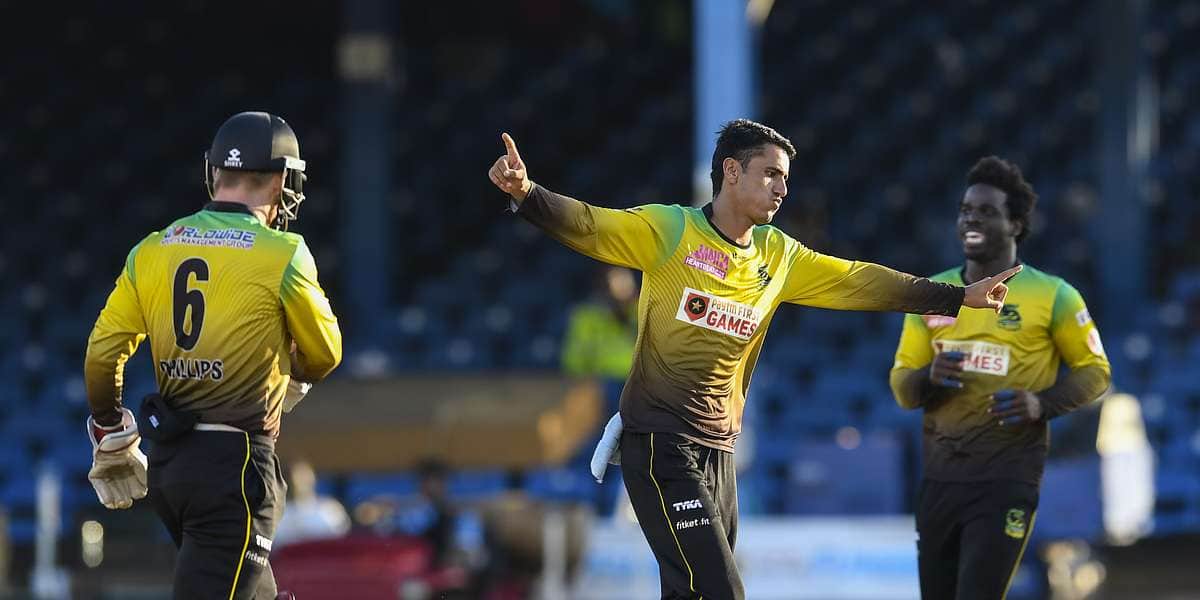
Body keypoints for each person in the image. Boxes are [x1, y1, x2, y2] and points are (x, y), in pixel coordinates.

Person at [487, 119, 1021, 600]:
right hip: (660, 445)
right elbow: (591, 225)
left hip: (719, 452)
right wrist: (527, 193)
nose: (782, 189)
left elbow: (859, 281)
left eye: (785, 178)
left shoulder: (777, 255)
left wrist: (956, 297)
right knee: (721, 591)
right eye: (770, 174)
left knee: (689, 593)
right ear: (731, 171)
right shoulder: (671, 232)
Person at [83, 111, 342, 599]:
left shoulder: (152, 249)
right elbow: (326, 354)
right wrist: (292, 374)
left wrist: (108, 426)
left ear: (213, 171)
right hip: (236, 467)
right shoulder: (283, 252)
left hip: (171, 465)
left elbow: (102, 354)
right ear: (283, 180)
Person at [889, 157, 1111, 600]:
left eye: (986, 211)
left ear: (1016, 225)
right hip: (940, 483)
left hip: (1007, 478)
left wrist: (1041, 404)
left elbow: (1095, 372)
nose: (971, 219)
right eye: (965, 210)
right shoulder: (931, 295)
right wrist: (930, 377)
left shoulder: (1054, 295)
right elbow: (902, 388)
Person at [560, 265, 639, 380]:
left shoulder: (642, 312)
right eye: (617, 280)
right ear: (603, 286)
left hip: (640, 379)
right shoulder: (587, 316)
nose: (623, 286)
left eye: (626, 280)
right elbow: (575, 357)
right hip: (603, 379)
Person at [273, 460, 351, 548]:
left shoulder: (330, 508)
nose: (298, 481)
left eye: (303, 475)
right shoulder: (277, 514)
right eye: (294, 476)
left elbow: (341, 541)